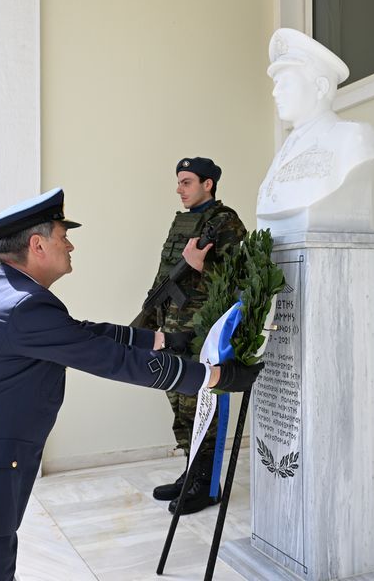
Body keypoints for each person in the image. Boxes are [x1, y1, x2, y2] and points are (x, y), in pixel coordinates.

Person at [0, 187, 261, 580]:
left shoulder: (5, 291)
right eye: (63, 237)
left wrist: (160, 339)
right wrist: (213, 377)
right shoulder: (23, 305)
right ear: (37, 245)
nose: (71, 245)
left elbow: (79, 332)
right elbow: (109, 360)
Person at [136, 157, 246, 515]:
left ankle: (207, 486)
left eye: (186, 182)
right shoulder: (181, 220)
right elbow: (166, 273)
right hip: (171, 327)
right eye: (179, 182)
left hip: (203, 330)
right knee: (180, 406)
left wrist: (204, 266)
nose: (179, 188)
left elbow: (241, 276)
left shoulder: (225, 221)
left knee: (204, 407)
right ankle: (190, 473)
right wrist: (149, 314)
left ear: (208, 184)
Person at [256, 27, 374, 235]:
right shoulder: (284, 150)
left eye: (285, 82)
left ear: (321, 87)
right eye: (275, 83)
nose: (274, 92)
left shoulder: (353, 138)